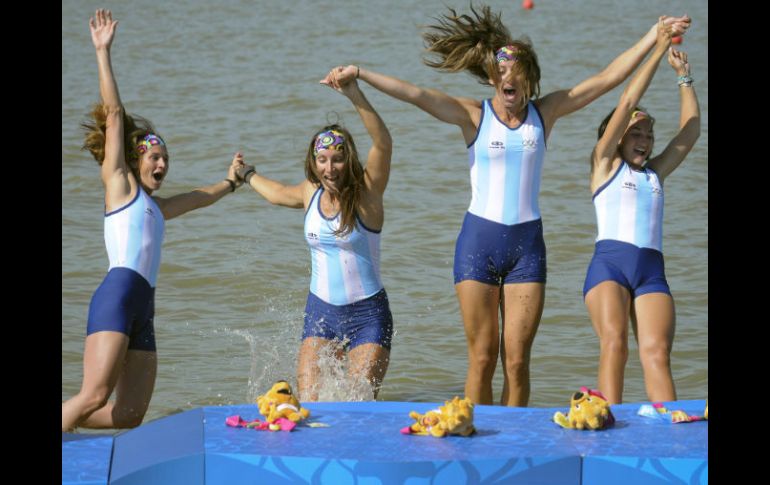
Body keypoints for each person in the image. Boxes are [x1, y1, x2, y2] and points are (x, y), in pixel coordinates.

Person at [329, 4, 691, 406]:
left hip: (527, 250)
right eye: (501, 72)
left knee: (517, 361)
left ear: (529, 80)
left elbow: (608, 79)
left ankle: (518, 443)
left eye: (517, 73)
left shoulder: (545, 112)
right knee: (482, 357)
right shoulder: (473, 115)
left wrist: (654, 37)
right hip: (477, 244)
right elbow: (416, 94)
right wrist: (360, 74)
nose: (509, 79)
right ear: (490, 77)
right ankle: (475, 436)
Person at [62, 10, 245, 432]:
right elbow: (113, 115)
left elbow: (197, 199)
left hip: (144, 306)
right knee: (93, 396)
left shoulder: (155, 209)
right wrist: (102, 52)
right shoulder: (120, 185)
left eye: (166, 158)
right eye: (153, 156)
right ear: (133, 160)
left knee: (130, 414)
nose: (162, 163)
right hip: (118, 294)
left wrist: (231, 183)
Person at [235, 69, 393, 402]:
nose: (329, 168)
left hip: (368, 317)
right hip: (320, 314)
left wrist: (354, 94)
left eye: (337, 159)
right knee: (310, 406)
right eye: (322, 160)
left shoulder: (367, 194)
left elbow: (383, 142)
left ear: (348, 161)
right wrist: (246, 174)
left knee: (356, 408)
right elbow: (278, 192)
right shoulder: (310, 192)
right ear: (313, 162)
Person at [584, 20, 700, 404]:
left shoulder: (655, 173)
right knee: (615, 343)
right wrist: (657, 48)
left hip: (652, 271)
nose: (646, 140)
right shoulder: (605, 164)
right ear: (617, 138)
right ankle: (608, 423)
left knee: (656, 354)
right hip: (609, 268)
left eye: (649, 134)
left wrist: (685, 79)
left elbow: (691, 132)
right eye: (637, 132)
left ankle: (672, 433)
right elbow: (627, 102)